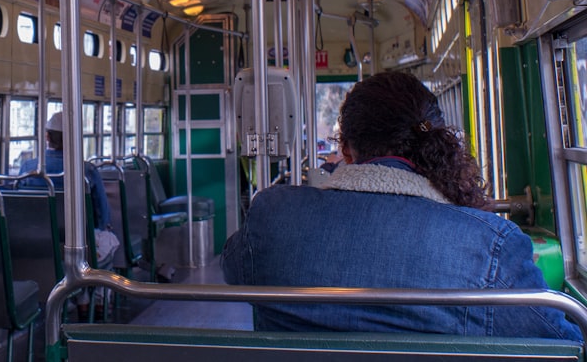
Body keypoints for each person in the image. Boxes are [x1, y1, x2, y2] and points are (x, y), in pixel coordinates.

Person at [221, 71, 582, 341]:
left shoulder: (272, 216)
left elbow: (234, 270)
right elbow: (562, 345)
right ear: (435, 141)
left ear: (345, 148)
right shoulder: (491, 246)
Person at [19, 110, 118, 319]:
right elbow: (102, 215)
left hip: (35, 246)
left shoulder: (28, 169)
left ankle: (80, 297)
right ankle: (94, 298)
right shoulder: (86, 171)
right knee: (109, 243)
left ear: (47, 137)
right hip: (79, 245)